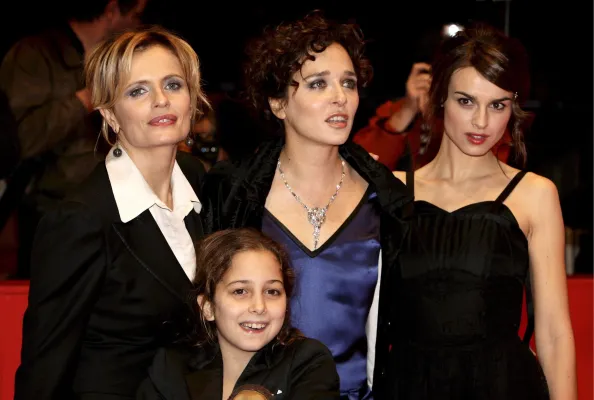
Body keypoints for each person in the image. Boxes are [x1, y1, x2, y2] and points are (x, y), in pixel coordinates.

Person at [202, 11, 411, 399]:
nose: (340, 97)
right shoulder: (232, 193)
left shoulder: (387, 199)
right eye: (318, 84)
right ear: (278, 103)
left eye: (348, 83)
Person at [372, 24, 577, 399]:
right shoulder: (393, 191)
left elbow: (553, 331)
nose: (481, 121)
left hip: (502, 386)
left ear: (513, 107)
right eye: (466, 101)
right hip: (408, 384)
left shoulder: (534, 194)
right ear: (440, 98)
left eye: (497, 105)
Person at [15, 26, 210, 400]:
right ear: (110, 114)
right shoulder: (79, 219)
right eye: (138, 91)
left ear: (192, 98)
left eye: (173, 84)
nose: (161, 100)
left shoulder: (199, 181)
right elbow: (45, 366)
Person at [0, 0, 147, 278]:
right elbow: (18, 141)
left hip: (115, 209)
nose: (139, 24)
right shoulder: (34, 55)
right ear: (112, 11)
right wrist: (87, 99)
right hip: (52, 213)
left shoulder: (119, 56)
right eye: (137, 14)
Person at [137, 228, 340, 400]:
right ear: (208, 307)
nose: (259, 306)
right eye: (240, 291)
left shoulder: (308, 362)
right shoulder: (173, 367)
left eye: (272, 292)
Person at [353, 25, 511, 171]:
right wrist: (407, 111)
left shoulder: (490, 118)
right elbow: (361, 169)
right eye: (466, 100)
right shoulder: (399, 110)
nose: (481, 120)